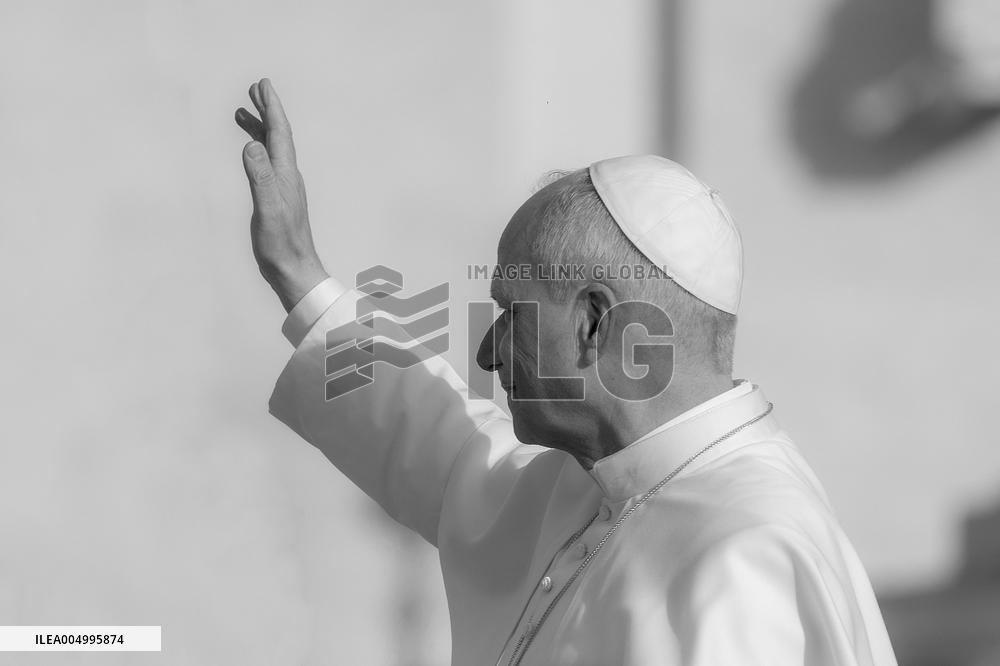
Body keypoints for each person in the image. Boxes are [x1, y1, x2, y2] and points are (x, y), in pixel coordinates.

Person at [234, 78, 899, 666]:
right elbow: (445, 442)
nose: (489, 351)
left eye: (511, 314)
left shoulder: (746, 559)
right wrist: (299, 273)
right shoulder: (595, 486)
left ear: (594, 323)